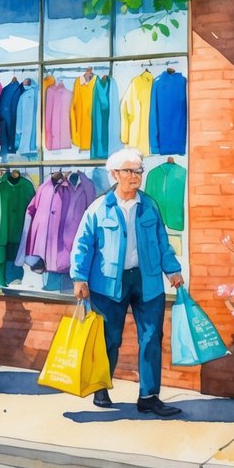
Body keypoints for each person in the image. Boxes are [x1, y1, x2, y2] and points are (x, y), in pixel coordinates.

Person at [71, 147, 185, 416]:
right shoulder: (98, 208)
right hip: (108, 283)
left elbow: (161, 241)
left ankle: (149, 396)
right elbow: (83, 245)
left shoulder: (149, 205)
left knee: (151, 337)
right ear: (114, 174)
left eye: (138, 171)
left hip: (147, 280)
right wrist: (79, 278)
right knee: (109, 338)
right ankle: (101, 387)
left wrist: (173, 270)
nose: (135, 177)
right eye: (129, 171)